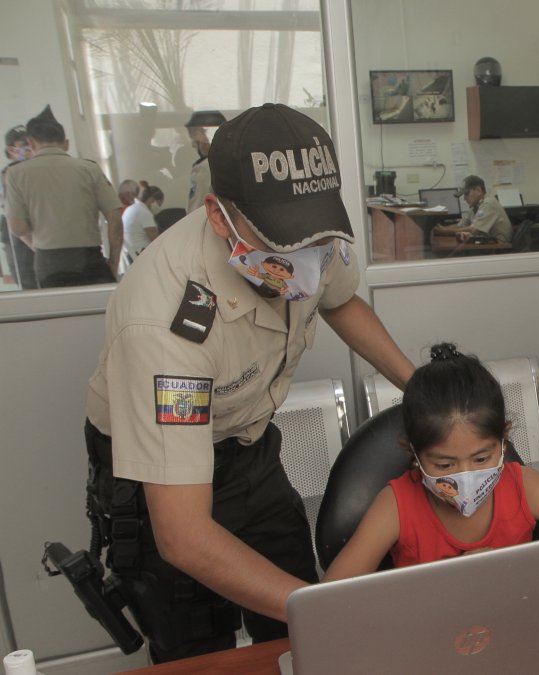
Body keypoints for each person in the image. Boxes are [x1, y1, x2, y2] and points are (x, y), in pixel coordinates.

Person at [83, 103, 417, 662]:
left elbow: (339, 301)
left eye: (315, 240)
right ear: (219, 216)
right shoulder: (166, 325)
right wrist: (325, 610)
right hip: (154, 477)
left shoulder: (311, 234)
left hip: (250, 449)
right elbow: (183, 535)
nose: (306, 260)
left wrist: (418, 385)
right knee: (199, 650)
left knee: (292, 627)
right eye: (284, 242)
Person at [323, 343, 539, 579]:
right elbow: (332, 596)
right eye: (445, 465)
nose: (466, 476)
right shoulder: (396, 504)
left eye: (482, 458)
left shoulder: (525, 486)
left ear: (503, 439)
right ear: (413, 453)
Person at [4, 105, 123, 287]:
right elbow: (114, 216)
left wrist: (41, 249)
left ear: (33, 143)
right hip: (89, 258)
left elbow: (17, 228)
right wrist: (114, 261)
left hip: (49, 263)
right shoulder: (89, 169)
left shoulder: (15, 174)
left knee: (61, 311)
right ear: (66, 143)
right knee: (99, 311)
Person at [1, 124, 36, 289]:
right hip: (21, 244)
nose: (28, 149)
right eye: (23, 145)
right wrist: (37, 248)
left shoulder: (37, 171)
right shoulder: (7, 176)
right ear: (11, 151)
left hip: (42, 238)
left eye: (30, 143)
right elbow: (14, 219)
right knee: (31, 288)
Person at [431, 175, 513, 243]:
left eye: (466, 194)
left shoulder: (488, 203)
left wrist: (444, 232)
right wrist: (442, 228)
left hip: (499, 247)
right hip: (487, 243)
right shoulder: (475, 205)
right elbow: (461, 225)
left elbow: (474, 230)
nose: (464, 198)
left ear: (478, 190)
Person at [184, 109, 226, 213]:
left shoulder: (206, 167)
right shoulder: (230, 162)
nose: (193, 145)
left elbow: (196, 211)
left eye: (194, 135)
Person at [120, 181, 162, 267]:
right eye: (159, 204)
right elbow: (155, 241)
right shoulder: (144, 213)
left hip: (131, 255)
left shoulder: (131, 209)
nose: (158, 208)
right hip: (142, 256)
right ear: (152, 200)